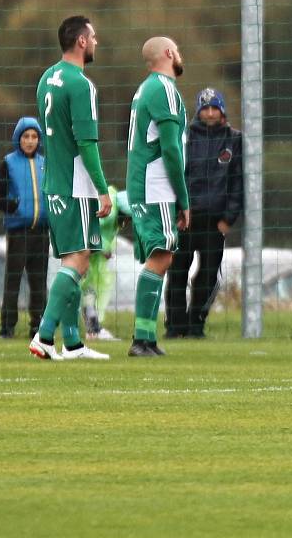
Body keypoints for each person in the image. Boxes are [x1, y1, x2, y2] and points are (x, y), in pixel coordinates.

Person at [29, 15, 112, 361]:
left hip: (54, 182)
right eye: (92, 37)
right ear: (80, 41)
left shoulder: (47, 78)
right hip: (76, 186)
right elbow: (86, 143)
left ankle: (74, 343)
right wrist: (103, 189)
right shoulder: (82, 84)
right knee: (78, 262)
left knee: (71, 260)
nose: (95, 42)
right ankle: (45, 336)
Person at [125, 36, 190, 357]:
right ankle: (141, 339)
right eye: (177, 50)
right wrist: (184, 198)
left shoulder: (145, 89)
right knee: (161, 254)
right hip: (157, 184)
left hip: (146, 183)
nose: (180, 55)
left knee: (163, 254)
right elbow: (170, 149)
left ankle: (147, 338)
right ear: (168, 53)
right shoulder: (164, 89)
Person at [164, 87, 243, 338]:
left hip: (215, 221)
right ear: (198, 111)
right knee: (177, 272)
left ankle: (196, 324)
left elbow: (238, 180)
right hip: (185, 219)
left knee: (208, 275)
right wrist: (176, 211)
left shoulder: (234, 139)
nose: (209, 113)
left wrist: (229, 218)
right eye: (205, 108)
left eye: (214, 108)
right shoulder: (185, 137)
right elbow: (175, 174)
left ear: (222, 111)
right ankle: (175, 327)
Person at [0, 117, 49, 339]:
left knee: (39, 281)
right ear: (18, 138)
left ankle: (38, 326)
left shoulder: (45, 163)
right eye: (26, 136)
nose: (30, 141)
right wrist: (12, 206)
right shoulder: (9, 163)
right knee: (13, 279)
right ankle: (7, 326)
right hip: (19, 232)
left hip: (41, 232)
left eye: (34, 137)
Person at [81, 185, 128, 341]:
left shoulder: (112, 206)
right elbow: (88, 230)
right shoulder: (109, 212)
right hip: (85, 257)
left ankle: (93, 329)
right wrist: (101, 247)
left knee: (89, 290)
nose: (126, 222)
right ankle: (92, 329)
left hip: (94, 260)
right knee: (86, 290)